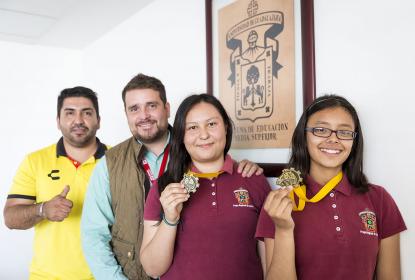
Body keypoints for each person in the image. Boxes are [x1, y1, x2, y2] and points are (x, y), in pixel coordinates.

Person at [81, 74, 262, 280]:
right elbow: (94, 236)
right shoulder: (109, 164)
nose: (144, 115)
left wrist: (246, 170)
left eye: (151, 105)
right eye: (134, 109)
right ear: (126, 114)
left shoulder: (197, 146)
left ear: (167, 108)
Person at [256, 94, 407, 279]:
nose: (333, 139)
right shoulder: (278, 203)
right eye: (321, 130)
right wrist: (283, 229)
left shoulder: (379, 199)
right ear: (303, 136)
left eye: (344, 132)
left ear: (354, 141)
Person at [139, 93, 271, 279]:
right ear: (182, 136)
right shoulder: (165, 187)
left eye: (211, 124)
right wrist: (170, 218)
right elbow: (153, 269)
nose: (204, 135)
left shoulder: (253, 179)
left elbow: (269, 264)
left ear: (225, 127)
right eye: (192, 127)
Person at [3, 86, 108, 279]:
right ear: (58, 121)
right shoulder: (35, 161)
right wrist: (42, 209)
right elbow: (10, 218)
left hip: (105, 276)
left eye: (87, 113)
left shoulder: (118, 161)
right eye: (70, 113)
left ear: (98, 121)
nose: (78, 120)